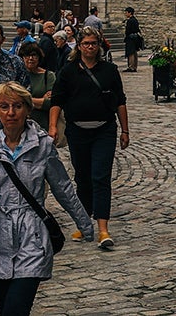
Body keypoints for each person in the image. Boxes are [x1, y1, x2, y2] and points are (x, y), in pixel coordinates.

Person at [0, 82, 95, 316]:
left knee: (17, 307)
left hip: (31, 232)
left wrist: (84, 224)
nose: (10, 113)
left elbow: (63, 187)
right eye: (4, 106)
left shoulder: (42, 145)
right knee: (3, 307)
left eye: (17, 106)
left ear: (28, 109)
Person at [49, 27, 128, 249]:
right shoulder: (68, 71)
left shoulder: (109, 70)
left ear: (99, 46)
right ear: (79, 46)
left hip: (104, 129)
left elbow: (120, 101)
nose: (90, 47)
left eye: (94, 43)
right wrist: (53, 127)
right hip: (77, 130)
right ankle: (84, 224)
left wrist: (125, 130)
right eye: (86, 43)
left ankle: (103, 228)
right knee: (82, 178)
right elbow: (57, 100)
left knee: (100, 177)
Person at [122, 8, 143, 72]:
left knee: (131, 52)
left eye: (126, 12)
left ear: (130, 13)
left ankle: (131, 67)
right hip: (135, 37)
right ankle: (134, 66)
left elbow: (128, 30)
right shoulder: (135, 20)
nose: (126, 14)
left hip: (131, 38)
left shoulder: (130, 21)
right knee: (134, 52)